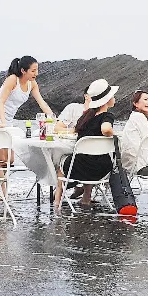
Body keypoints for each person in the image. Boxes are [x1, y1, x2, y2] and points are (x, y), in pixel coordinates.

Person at [0, 56, 54, 183]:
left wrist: (53, 118)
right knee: (0, 160)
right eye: (33, 71)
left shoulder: (32, 84)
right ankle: (0, 193)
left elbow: (41, 102)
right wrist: (3, 122)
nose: (36, 73)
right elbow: (1, 102)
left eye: (37, 70)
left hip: (8, 122)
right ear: (23, 70)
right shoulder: (12, 79)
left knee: (9, 160)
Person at [56, 79, 117, 207]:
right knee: (91, 156)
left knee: (62, 162)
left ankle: (57, 201)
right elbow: (106, 129)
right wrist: (114, 135)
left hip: (80, 167)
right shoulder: (107, 116)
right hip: (103, 168)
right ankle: (86, 197)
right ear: (106, 100)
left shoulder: (84, 117)